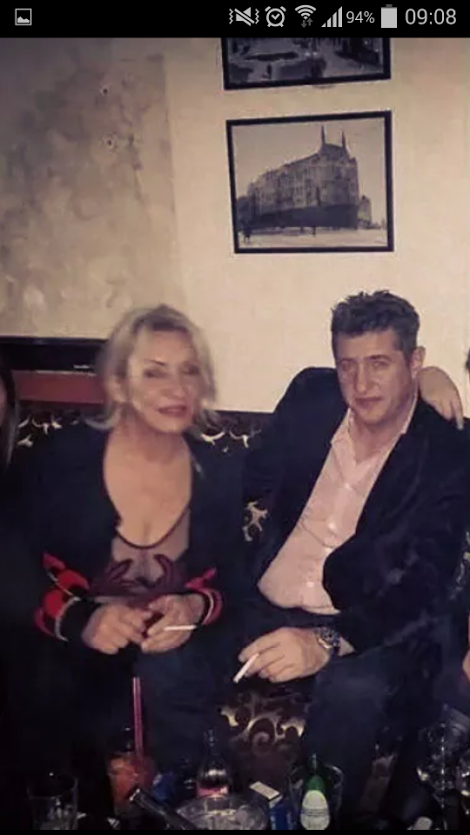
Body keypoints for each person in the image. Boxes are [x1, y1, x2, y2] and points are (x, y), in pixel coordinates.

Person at [234, 290, 470, 816]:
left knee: (354, 691)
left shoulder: (446, 449)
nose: (361, 385)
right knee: (170, 651)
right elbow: (240, 480)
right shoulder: (311, 398)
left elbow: (426, 585)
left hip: (362, 623)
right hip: (263, 601)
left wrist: (326, 640)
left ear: (414, 362)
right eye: (348, 366)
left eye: (380, 364)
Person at [2, 305, 244, 777]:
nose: (178, 389)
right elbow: (8, 562)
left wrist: (195, 607)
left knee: (175, 694)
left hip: (172, 662)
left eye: (190, 371)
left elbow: (238, 578)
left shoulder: (219, 472)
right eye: (155, 373)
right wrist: (79, 619)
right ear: (118, 385)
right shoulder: (59, 462)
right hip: (67, 655)